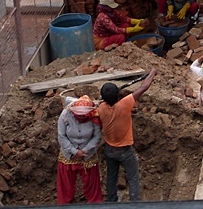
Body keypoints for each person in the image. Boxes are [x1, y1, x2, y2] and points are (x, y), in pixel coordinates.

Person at [98, 68, 157, 202]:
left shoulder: (101, 108)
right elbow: (144, 86)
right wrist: (152, 72)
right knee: (133, 178)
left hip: (109, 149)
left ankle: (112, 201)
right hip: (125, 150)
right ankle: (135, 203)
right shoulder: (124, 105)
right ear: (118, 95)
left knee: (111, 177)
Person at [57, 95, 103, 204]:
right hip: (68, 153)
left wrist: (85, 150)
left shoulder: (94, 116)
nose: (81, 117)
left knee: (91, 181)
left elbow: (97, 136)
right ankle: (65, 203)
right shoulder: (65, 115)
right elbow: (61, 136)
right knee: (66, 183)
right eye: (79, 115)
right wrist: (74, 151)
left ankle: (94, 203)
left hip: (87, 153)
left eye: (84, 116)